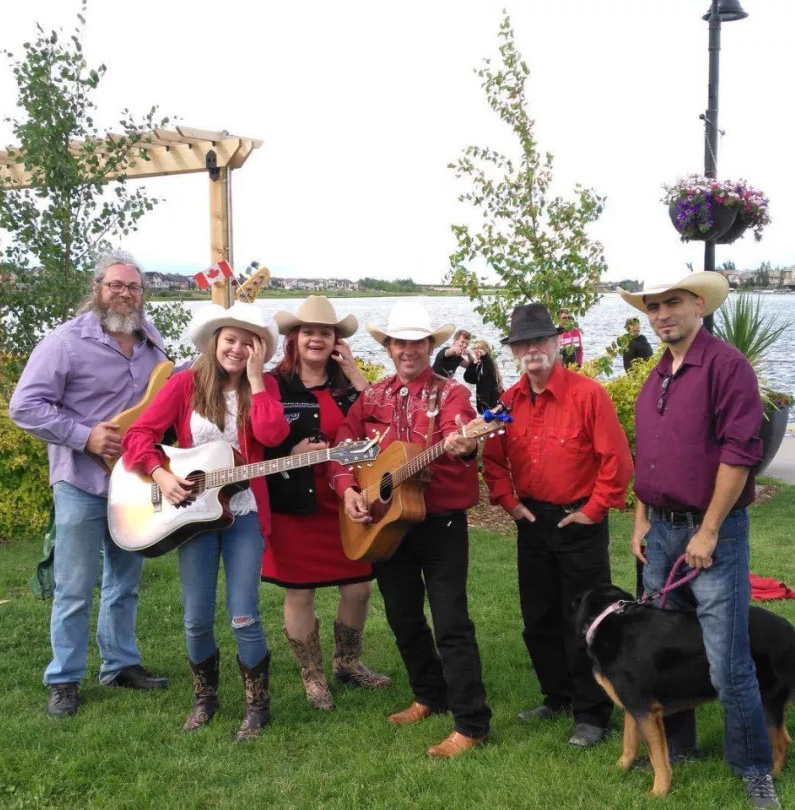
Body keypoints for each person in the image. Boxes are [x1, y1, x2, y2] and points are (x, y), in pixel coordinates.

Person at [619, 272, 780, 810]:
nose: (662, 314)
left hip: (713, 534)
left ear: (699, 306)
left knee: (727, 660)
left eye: (672, 303)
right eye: (653, 306)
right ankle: (681, 748)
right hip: (661, 533)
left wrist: (708, 530)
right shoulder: (657, 374)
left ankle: (753, 768)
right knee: (665, 649)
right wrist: (640, 519)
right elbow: (649, 455)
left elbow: (740, 453)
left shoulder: (727, 367)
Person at [9, 251, 170, 717]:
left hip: (134, 482)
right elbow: (25, 406)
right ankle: (64, 678)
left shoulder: (152, 341)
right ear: (97, 289)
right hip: (80, 482)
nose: (125, 293)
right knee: (74, 587)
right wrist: (84, 436)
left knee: (125, 581)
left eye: (133, 287)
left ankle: (119, 664)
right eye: (115, 285)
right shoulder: (65, 342)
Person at [121, 302, 289, 741]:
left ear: (258, 351)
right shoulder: (186, 384)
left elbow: (273, 435)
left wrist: (257, 381)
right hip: (193, 515)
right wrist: (160, 473)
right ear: (215, 341)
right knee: (196, 618)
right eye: (230, 339)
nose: (236, 349)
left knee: (244, 615)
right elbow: (138, 435)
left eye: (248, 343)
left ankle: (258, 707)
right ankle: (204, 699)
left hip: (244, 512)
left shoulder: (265, 385)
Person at [333, 301, 491, 758]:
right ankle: (429, 694)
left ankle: (472, 723)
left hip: (440, 522)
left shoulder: (452, 394)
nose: (408, 350)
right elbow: (344, 447)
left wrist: (463, 447)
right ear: (388, 347)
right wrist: (348, 489)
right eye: (399, 342)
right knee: (403, 616)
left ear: (428, 346)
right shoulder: (373, 396)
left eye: (417, 342)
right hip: (387, 523)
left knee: (450, 620)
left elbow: (463, 441)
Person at [482, 302, 633, 748]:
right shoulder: (507, 403)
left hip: (578, 520)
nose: (532, 350)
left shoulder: (588, 395)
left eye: (539, 341)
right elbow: (493, 459)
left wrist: (594, 509)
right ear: (514, 352)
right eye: (522, 344)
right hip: (532, 520)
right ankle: (558, 696)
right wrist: (509, 502)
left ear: (556, 343)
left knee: (586, 620)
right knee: (538, 616)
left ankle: (592, 712)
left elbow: (617, 460)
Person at [261, 296, 391, 710]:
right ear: (294, 338)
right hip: (294, 502)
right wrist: (289, 453)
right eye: (309, 331)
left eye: (325, 332)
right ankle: (312, 675)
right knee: (300, 593)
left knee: (359, 587)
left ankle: (347, 662)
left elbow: (385, 424)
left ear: (337, 341)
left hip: (346, 498)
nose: (316, 339)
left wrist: (355, 375)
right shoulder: (273, 384)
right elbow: (257, 436)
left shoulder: (347, 385)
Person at [463, 339, 504, 414]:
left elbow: (487, 363)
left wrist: (484, 355)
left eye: (479, 348)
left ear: (485, 350)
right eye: (475, 349)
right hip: (482, 404)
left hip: (492, 403)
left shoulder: (490, 363)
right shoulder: (480, 365)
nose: (476, 351)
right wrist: (473, 364)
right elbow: (468, 378)